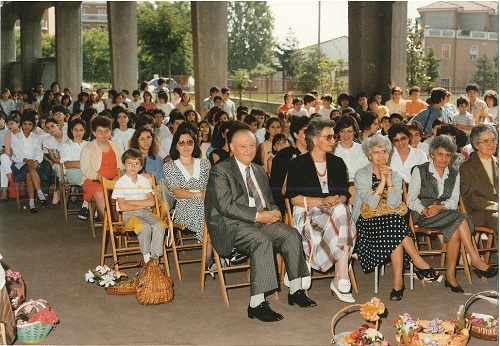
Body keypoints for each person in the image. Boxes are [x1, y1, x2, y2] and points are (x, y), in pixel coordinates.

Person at [205, 128, 316, 322]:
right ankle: (256, 304)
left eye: (252, 145)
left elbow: (268, 199)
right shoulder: (220, 170)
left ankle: (296, 290)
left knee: (291, 234)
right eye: (243, 146)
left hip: (258, 220)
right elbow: (225, 206)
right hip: (230, 224)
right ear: (232, 147)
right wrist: (258, 217)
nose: (249, 150)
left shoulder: (258, 170)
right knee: (261, 240)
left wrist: (274, 211)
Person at [407, 135, 498, 292]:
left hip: (445, 213)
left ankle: (451, 277)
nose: (444, 159)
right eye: (440, 154)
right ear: (432, 154)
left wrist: (439, 207)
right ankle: (475, 259)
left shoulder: (455, 173)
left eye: (448, 155)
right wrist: (425, 209)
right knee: (459, 218)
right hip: (422, 214)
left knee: (456, 228)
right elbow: (411, 200)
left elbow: (453, 201)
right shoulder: (420, 170)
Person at [353, 134, 438, 301]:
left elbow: (393, 205)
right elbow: (371, 204)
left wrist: (390, 180)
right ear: (369, 155)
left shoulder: (396, 176)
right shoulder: (361, 174)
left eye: (384, 152)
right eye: (376, 152)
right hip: (366, 224)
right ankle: (416, 262)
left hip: (390, 224)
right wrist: (383, 182)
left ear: (389, 154)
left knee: (394, 225)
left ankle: (398, 284)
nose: (381, 156)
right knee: (396, 225)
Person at [286, 117, 357, 303]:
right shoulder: (297, 164)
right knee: (344, 217)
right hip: (307, 211)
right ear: (315, 139)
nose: (333, 140)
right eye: (329, 137)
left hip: (334, 213)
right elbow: (294, 199)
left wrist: (335, 200)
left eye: (334, 137)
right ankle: (339, 278)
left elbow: (344, 195)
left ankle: (340, 274)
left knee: (342, 210)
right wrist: (321, 201)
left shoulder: (337, 163)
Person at [163, 127, 212, 262]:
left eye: (190, 142)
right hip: (183, 207)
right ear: (176, 146)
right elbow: (177, 192)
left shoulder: (205, 164)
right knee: (208, 216)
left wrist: (205, 195)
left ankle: (217, 256)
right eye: (181, 143)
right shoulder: (170, 166)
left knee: (217, 213)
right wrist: (199, 194)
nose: (186, 146)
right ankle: (210, 259)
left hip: (207, 204)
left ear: (195, 144)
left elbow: (212, 187)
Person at [112, 148, 165, 264]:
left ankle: (155, 259)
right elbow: (123, 207)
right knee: (144, 226)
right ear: (123, 165)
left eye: (136, 164)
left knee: (160, 225)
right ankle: (146, 257)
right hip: (130, 215)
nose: (133, 166)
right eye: (129, 163)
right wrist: (141, 203)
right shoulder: (121, 183)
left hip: (147, 212)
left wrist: (130, 202)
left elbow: (151, 202)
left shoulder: (144, 180)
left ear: (141, 166)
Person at [80, 116, 124, 219]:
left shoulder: (117, 148)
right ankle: (110, 226)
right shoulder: (88, 149)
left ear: (111, 132)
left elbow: (122, 167)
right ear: (94, 133)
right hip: (93, 181)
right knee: (100, 193)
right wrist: (99, 177)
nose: (103, 134)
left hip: (114, 181)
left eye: (106, 131)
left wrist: (117, 176)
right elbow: (85, 169)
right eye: (99, 131)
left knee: (123, 192)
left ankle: (117, 222)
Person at [460, 124, 498, 235]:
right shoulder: (467, 167)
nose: (491, 144)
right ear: (476, 145)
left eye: (493, 140)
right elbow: (469, 197)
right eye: (486, 142)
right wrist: (495, 206)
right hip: (479, 212)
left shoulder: (498, 163)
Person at [269, 116, 310, 215]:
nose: (310, 135)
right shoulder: (283, 156)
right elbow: (278, 191)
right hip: (293, 208)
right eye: (306, 132)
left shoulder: (318, 154)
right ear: (295, 135)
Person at [11, 110, 48, 212]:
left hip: (33, 165)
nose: (27, 126)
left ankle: (32, 204)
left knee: (29, 173)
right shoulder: (15, 137)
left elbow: (38, 152)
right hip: (19, 163)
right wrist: (28, 160)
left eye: (30, 124)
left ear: (33, 126)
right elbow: (17, 154)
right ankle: (40, 194)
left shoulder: (36, 137)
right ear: (21, 124)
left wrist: (36, 161)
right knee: (29, 168)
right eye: (25, 124)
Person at [60, 118, 89, 220]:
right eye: (75, 129)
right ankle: (89, 208)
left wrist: (76, 163)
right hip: (72, 173)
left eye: (81, 130)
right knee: (90, 180)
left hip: (86, 172)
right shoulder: (66, 145)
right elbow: (67, 164)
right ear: (71, 130)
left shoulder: (88, 145)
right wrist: (85, 164)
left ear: (85, 131)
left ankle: (86, 207)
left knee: (93, 180)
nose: (78, 133)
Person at [332, 115, 369, 182]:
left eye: (349, 131)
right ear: (338, 132)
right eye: (342, 131)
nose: (346, 135)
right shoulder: (332, 150)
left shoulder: (362, 149)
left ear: (355, 131)